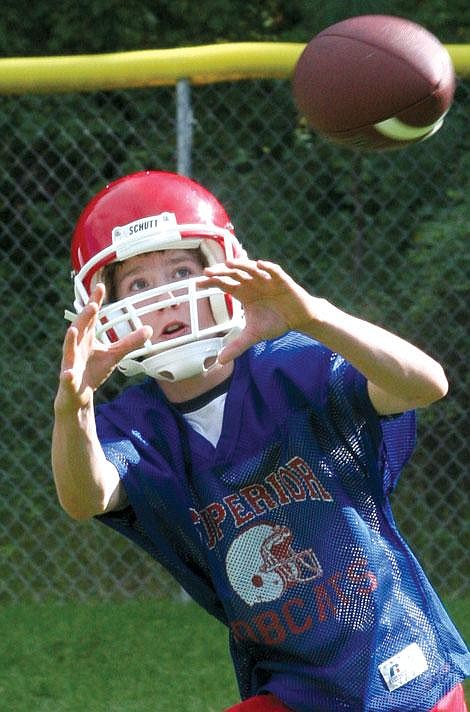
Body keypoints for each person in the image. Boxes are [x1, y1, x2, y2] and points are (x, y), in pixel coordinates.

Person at [52, 170, 469, 711]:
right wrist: (73, 407)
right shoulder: (132, 426)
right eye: (139, 285)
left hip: (402, 671)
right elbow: (84, 497)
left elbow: (426, 383)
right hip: (294, 690)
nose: (166, 297)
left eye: (181, 270)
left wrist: (315, 316)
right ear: (102, 306)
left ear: (223, 273)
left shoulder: (294, 364)